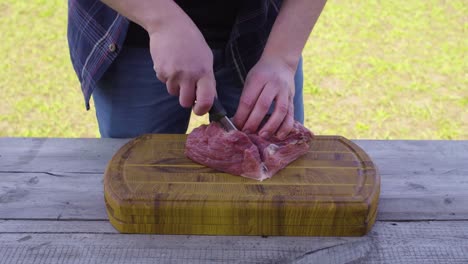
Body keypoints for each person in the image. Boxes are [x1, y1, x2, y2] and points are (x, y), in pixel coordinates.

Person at [67, 0, 326, 139]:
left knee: (275, 176)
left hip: (263, 37)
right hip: (133, 35)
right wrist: (162, 21)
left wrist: (282, 58)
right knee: (140, 180)